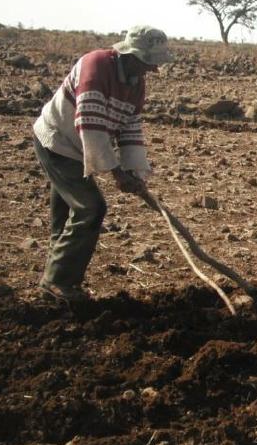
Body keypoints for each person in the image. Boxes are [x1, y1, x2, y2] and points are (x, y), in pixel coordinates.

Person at [32, 25, 173, 302]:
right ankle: (60, 282)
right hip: (58, 142)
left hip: (78, 144)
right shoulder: (95, 66)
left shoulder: (135, 82)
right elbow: (90, 125)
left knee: (68, 216)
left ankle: (53, 285)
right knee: (91, 208)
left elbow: (130, 126)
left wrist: (135, 171)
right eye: (148, 62)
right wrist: (118, 173)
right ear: (130, 55)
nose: (153, 70)